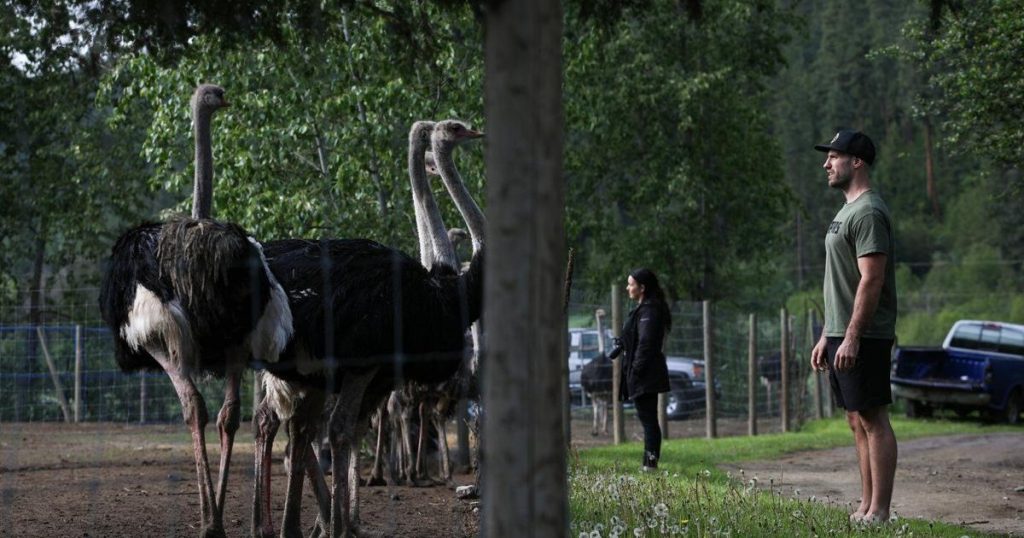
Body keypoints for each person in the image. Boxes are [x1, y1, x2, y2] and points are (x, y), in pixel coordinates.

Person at [809, 129, 898, 525]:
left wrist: (852, 336)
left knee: (873, 418)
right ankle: (865, 504)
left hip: (865, 334)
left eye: (834, 157)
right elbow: (841, 281)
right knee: (854, 417)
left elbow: (870, 279)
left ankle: (879, 510)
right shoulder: (847, 211)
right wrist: (827, 333)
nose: (826, 164)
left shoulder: (868, 212)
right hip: (840, 333)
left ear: (856, 162)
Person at [608, 268, 671, 471]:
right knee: (648, 420)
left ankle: (650, 465)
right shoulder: (644, 309)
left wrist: (635, 370)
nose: (628, 287)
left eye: (631, 284)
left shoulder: (650, 311)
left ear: (642, 288)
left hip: (645, 374)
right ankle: (649, 463)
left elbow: (646, 343)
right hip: (642, 372)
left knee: (649, 421)